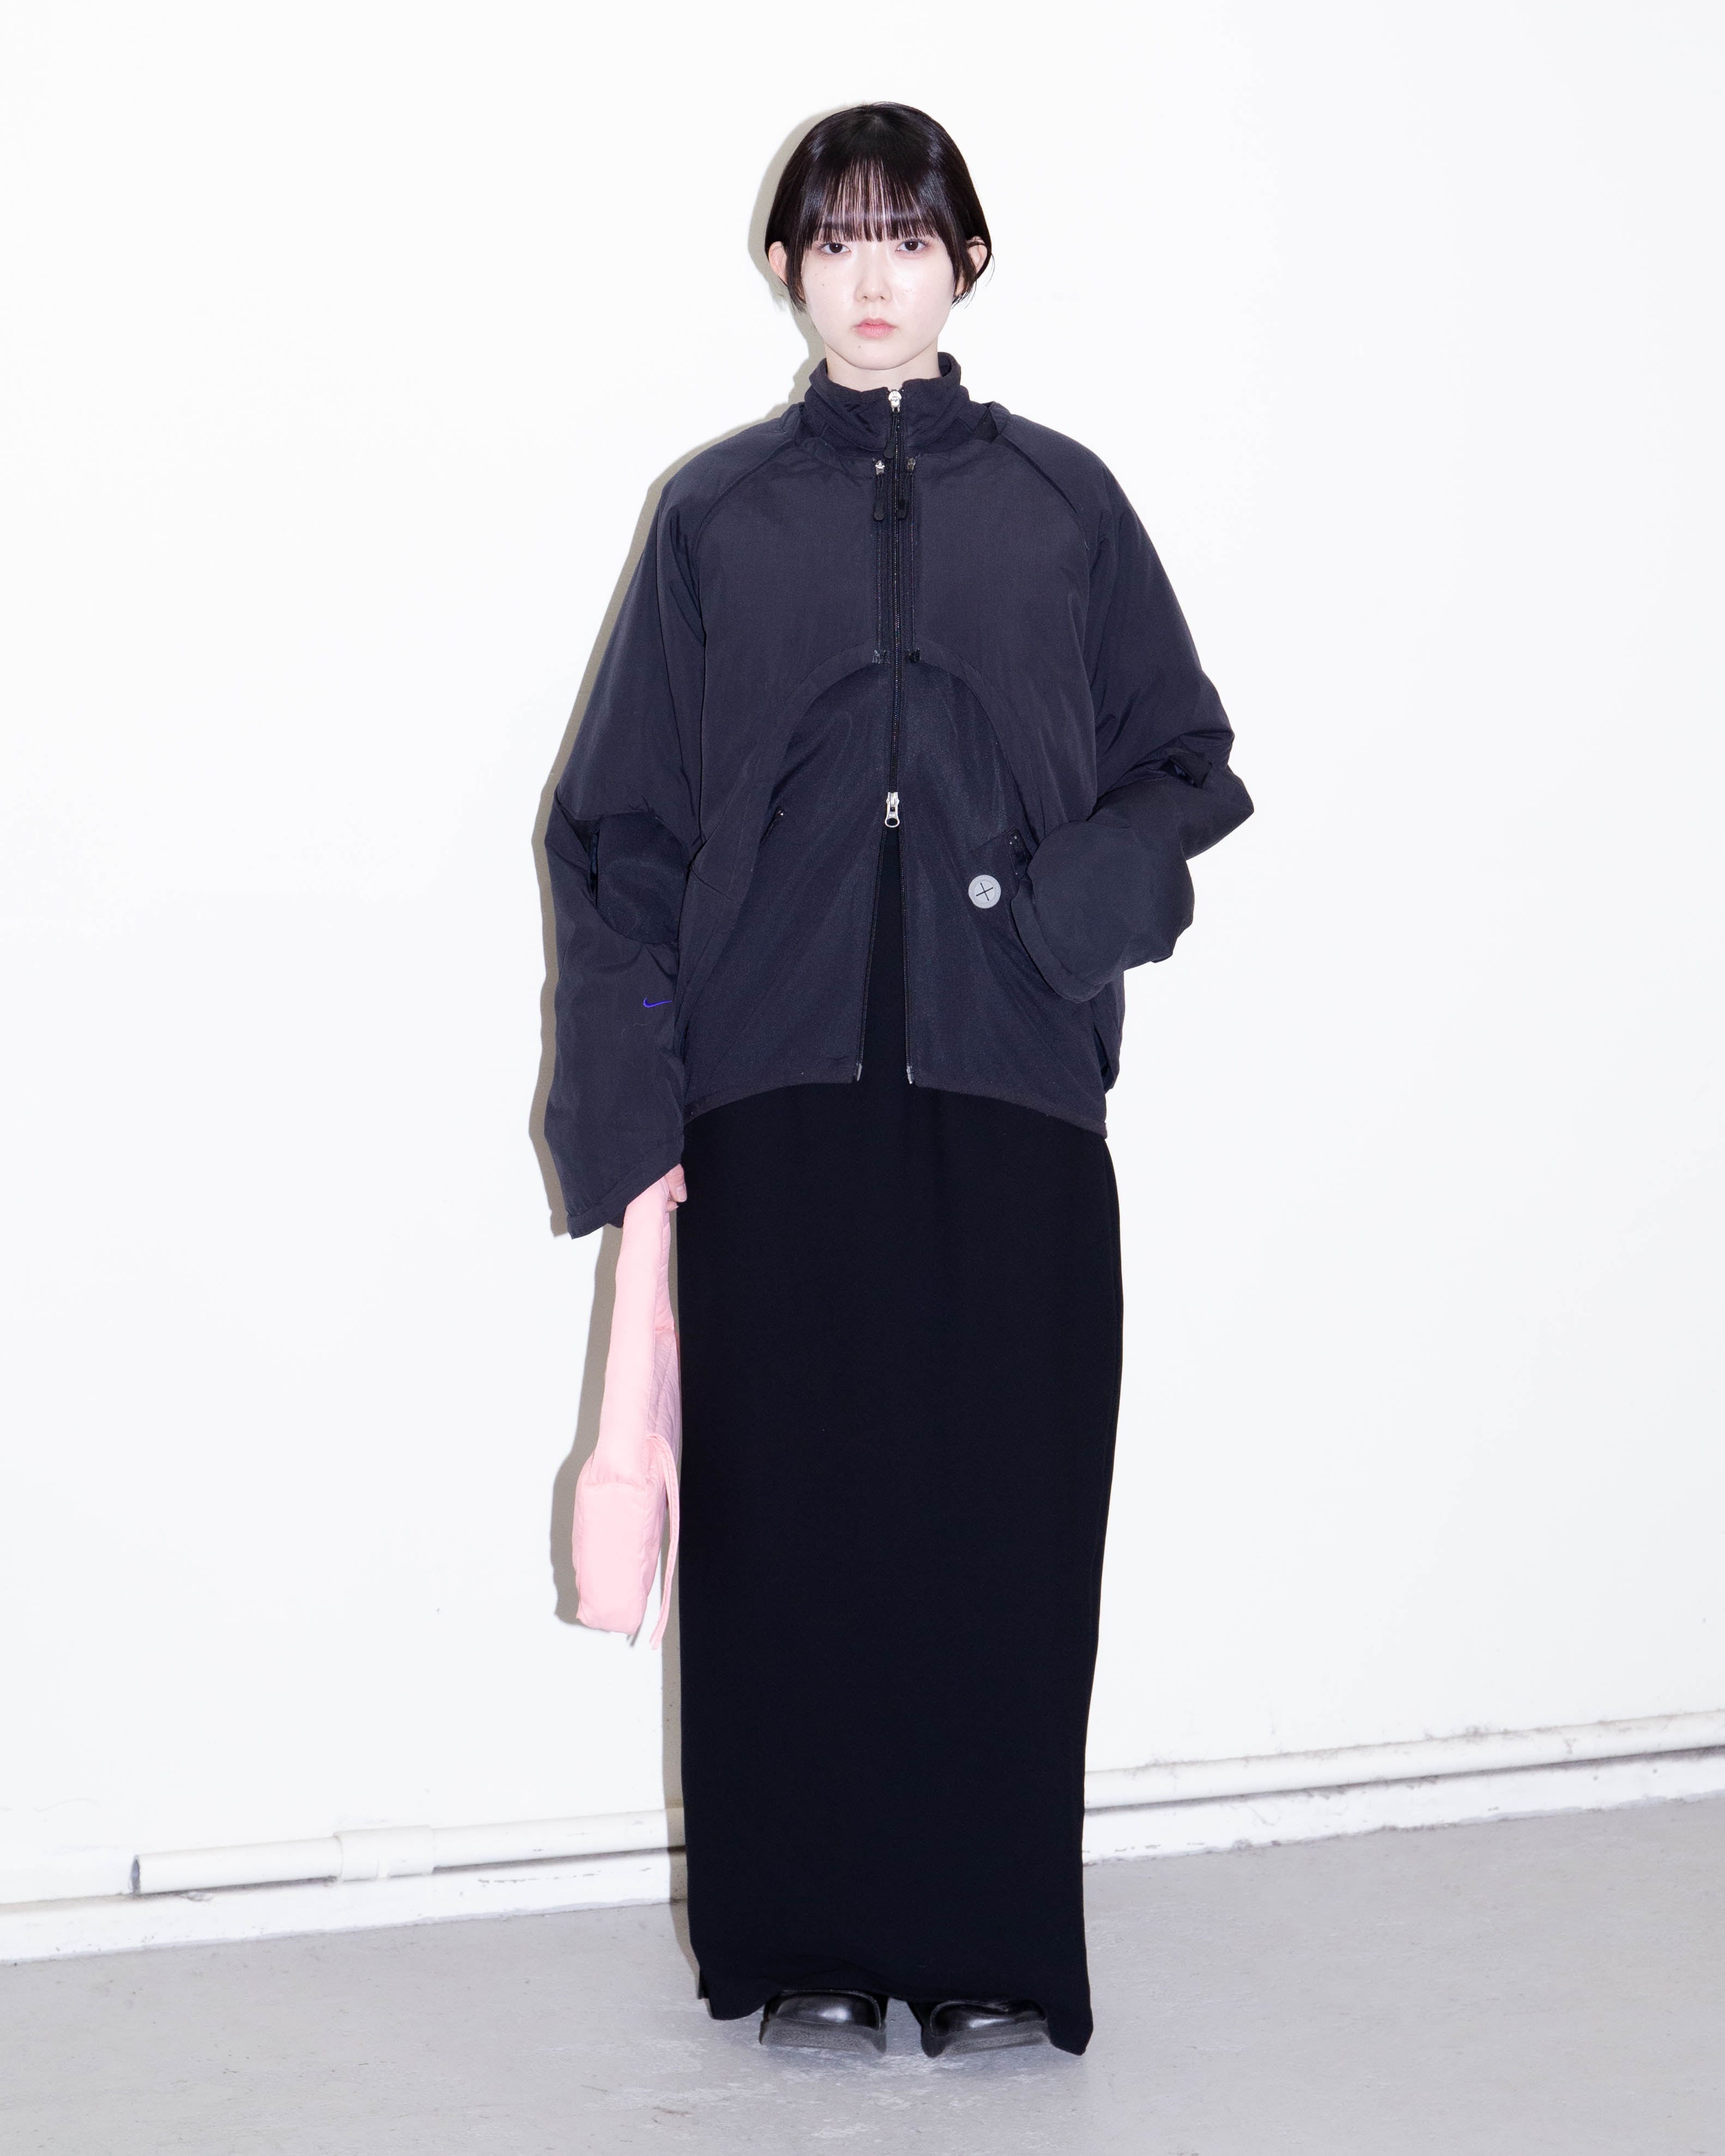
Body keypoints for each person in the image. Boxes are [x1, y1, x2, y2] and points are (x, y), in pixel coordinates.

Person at [543, 102, 1251, 2060]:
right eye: (840, 239)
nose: (875, 277)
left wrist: (1059, 917)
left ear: (967, 265)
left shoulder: (1063, 504)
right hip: (770, 1086)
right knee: (789, 1524)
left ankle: (993, 1941)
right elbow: (615, 833)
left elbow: (1187, 760)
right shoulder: (716, 518)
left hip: (1011, 1078)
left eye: (911, 239)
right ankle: (803, 1936)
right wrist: (630, 1111)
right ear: (787, 265)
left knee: (1004, 1514)